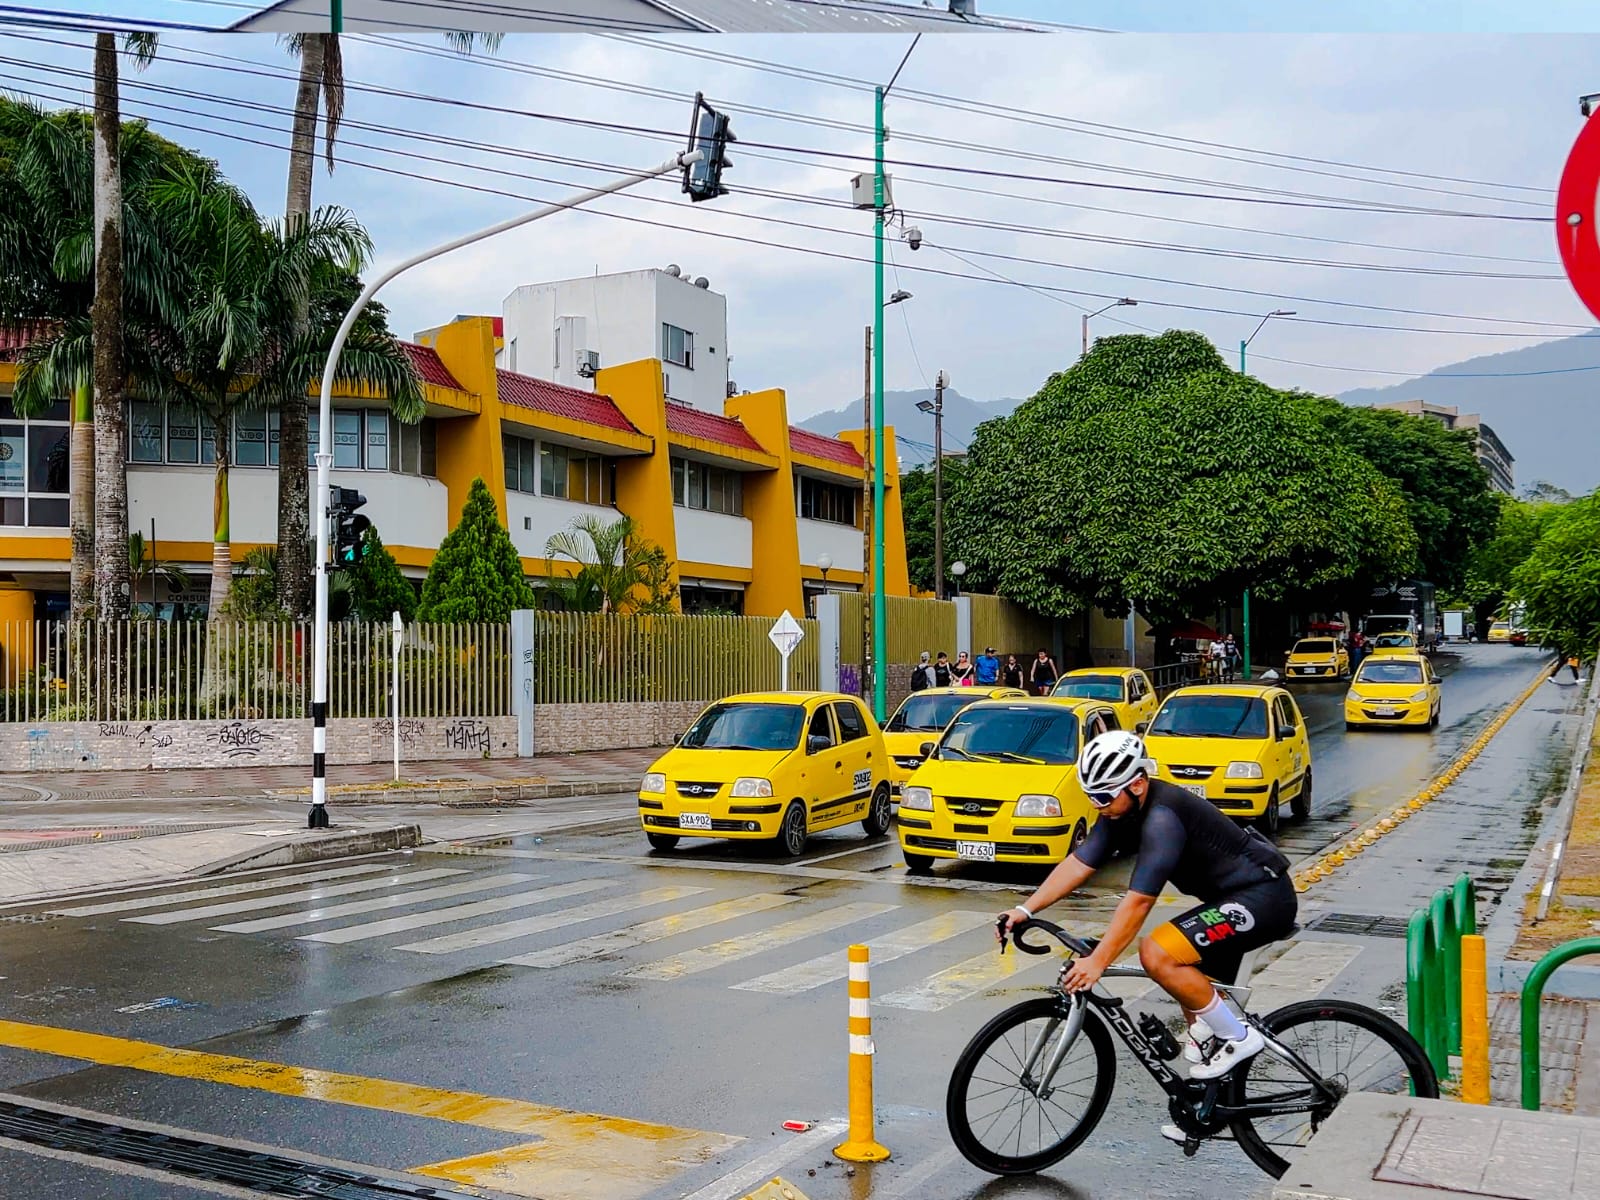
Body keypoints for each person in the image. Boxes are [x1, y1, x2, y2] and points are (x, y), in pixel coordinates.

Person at [998, 730, 1296, 1090]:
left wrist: (1098, 962)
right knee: (1196, 1011)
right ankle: (1208, 1109)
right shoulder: (1118, 813)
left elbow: (1139, 901)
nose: (1096, 804)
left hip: (1263, 896)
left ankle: (1239, 1038)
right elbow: (1078, 863)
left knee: (1156, 952)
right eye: (1089, 794)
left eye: (1104, 795)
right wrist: (1024, 909)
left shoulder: (1162, 817)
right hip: (1227, 899)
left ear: (1137, 784)